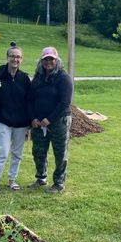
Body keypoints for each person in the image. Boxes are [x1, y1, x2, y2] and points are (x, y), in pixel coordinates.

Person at [0, 43, 31, 194]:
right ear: (7, 57)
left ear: (21, 59)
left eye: (18, 57)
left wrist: (31, 120)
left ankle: (12, 180)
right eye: (12, 56)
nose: (15, 59)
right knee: (3, 152)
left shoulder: (24, 78)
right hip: (2, 120)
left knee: (17, 154)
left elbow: (29, 100)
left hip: (21, 123)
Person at [28, 46, 73, 194]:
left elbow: (65, 102)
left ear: (57, 60)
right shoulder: (38, 78)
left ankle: (59, 183)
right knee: (38, 151)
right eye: (45, 59)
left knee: (60, 153)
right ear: (41, 61)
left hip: (59, 120)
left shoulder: (63, 78)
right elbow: (29, 100)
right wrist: (33, 118)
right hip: (39, 122)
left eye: (51, 59)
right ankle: (41, 178)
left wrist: (50, 119)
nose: (48, 62)